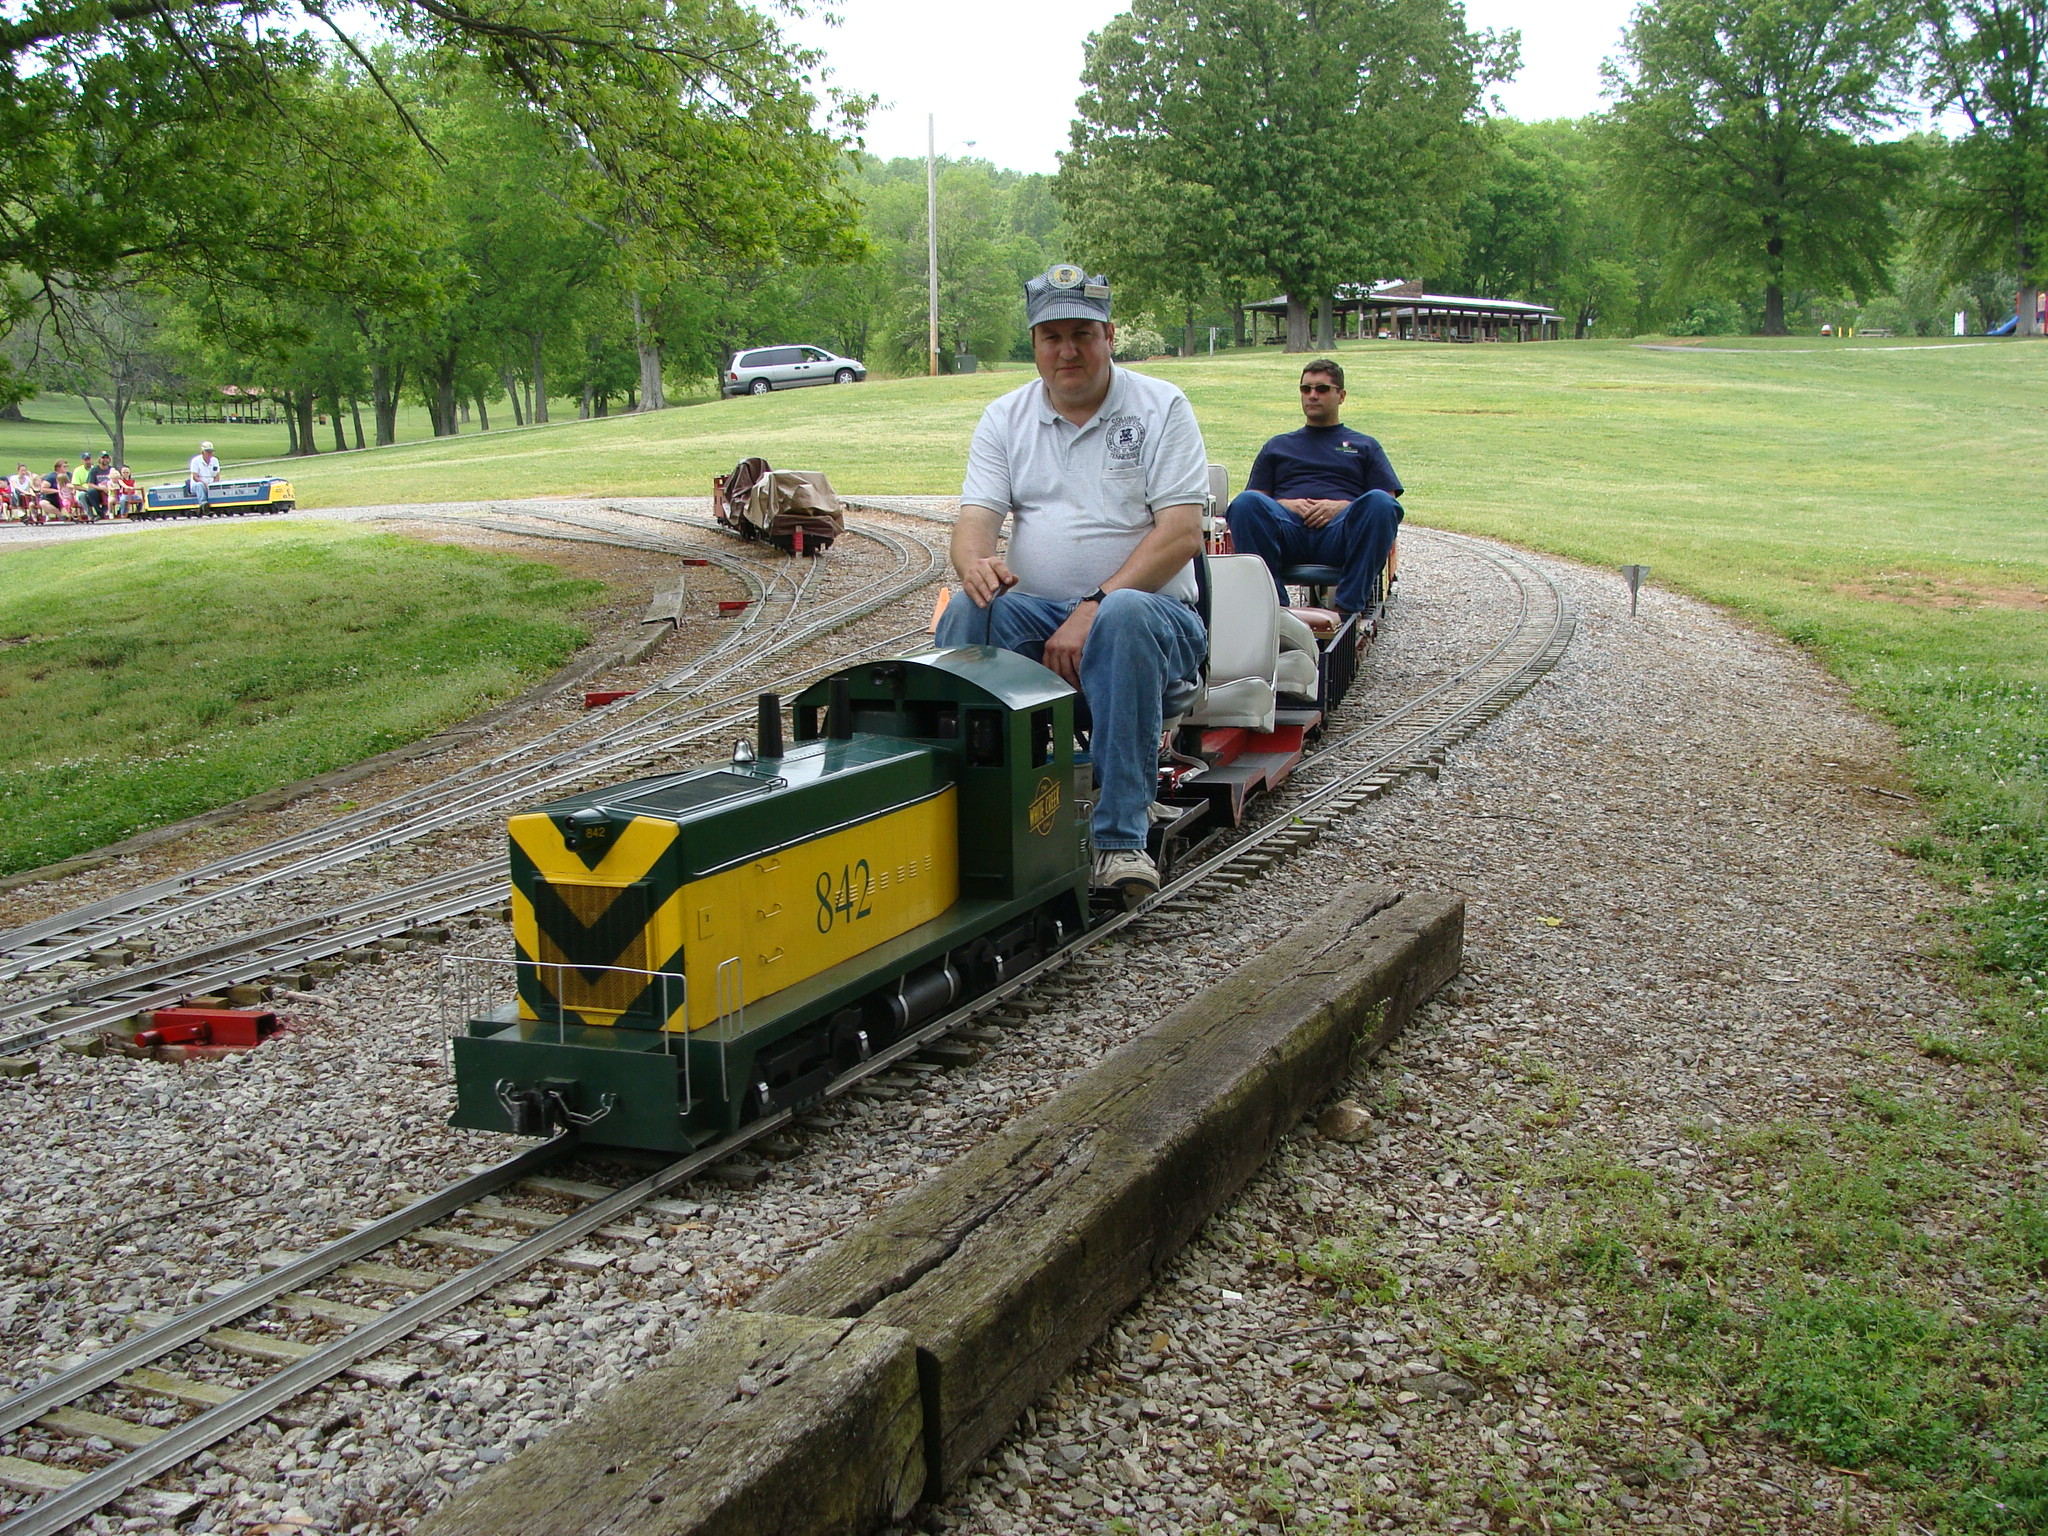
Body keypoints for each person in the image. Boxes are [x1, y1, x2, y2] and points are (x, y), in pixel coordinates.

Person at [934, 263, 1209, 905]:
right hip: (1043, 613)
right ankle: (960, 816)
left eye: (1081, 333)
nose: (1067, 351)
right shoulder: (1005, 417)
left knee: (1125, 616)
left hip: (1152, 621)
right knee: (964, 618)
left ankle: (1120, 843)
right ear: (1034, 344)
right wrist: (974, 563)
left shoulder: (1161, 407)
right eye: (1051, 336)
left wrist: (1093, 605)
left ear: (1109, 335)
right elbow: (973, 523)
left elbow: (1180, 535)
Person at [1225, 358, 1404, 619]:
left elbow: (1388, 502)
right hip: (1289, 531)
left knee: (1381, 503)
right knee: (1244, 503)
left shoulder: (1364, 446)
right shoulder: (1278, 446)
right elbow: (1257, 501)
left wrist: (1343, 507)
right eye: (1305, 389)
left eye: (1321, 389)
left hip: (1340, 534)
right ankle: (1275, 609)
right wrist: (1285, 504)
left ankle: (1346, 609)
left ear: (1341, 396)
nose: (1312, 396)